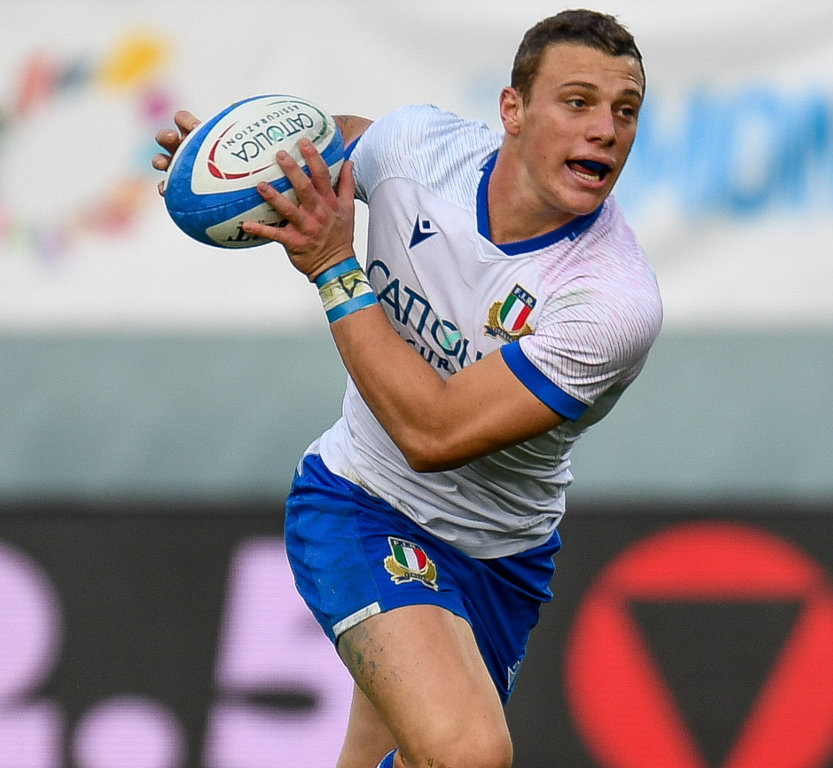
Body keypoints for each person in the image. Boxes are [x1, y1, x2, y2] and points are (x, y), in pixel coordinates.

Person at [154, 9, 661, 768]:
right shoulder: (421, 150)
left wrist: (335, 268)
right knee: (468, 755)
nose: (605, 130)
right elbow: (338, 142)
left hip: (500, 562)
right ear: (513, 110)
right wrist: (236, 165)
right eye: (578, 102)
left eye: (625, 111)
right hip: (361, 503)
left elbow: (436, 432)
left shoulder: (610, 302)